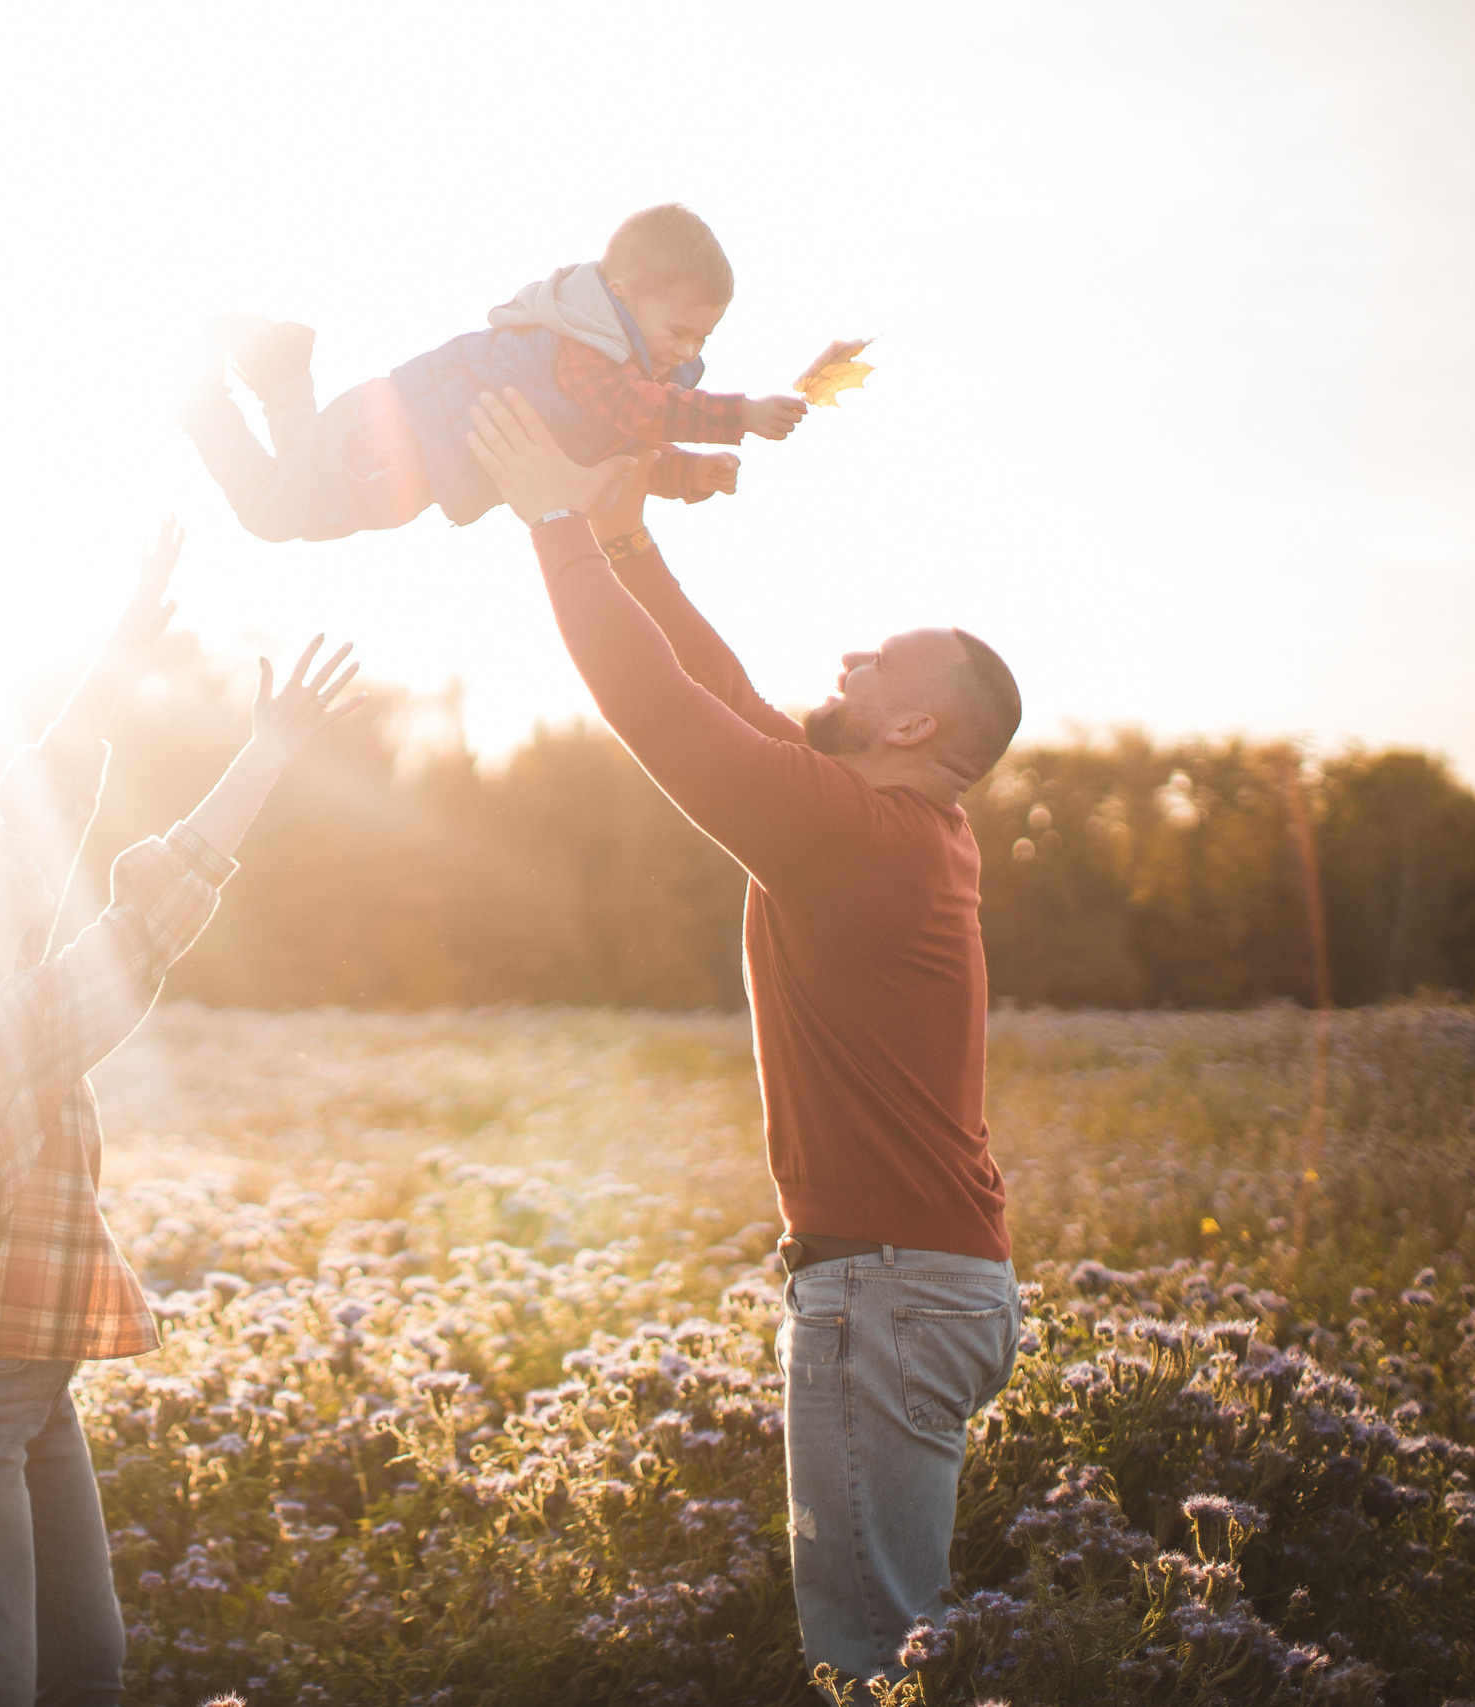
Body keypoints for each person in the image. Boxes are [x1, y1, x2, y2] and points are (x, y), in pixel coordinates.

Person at [465, 388, 1025, 1698]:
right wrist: (628, 540)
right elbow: (720, 690)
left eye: (876, 662)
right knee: (893, 1638)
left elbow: (661, 710)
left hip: (884, 1294)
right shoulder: (889, 825)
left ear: (915, 725)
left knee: (870, 1659)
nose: (846, 661)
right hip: (928, 1281)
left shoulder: (859, 841)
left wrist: (556, 519)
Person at [0, 520, 365, 1707]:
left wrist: (121, 645)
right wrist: (270, 747)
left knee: (87, 1672)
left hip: (24, 1382)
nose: (31, 855)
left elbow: (52, 785)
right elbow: (149, 914)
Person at [182, 201, 862, 542]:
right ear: (622, 295)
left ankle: (279, 372)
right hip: (397, 449)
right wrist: (736, 417)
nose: (689, 350)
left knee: (299, 471)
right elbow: (636, 414)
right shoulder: (588, 353)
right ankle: (200, 401)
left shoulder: (628, 367)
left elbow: (622, 457)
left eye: (703, 336)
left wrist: (687, 473)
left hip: (393, 439)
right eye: (678, 330)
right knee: (276, 510)